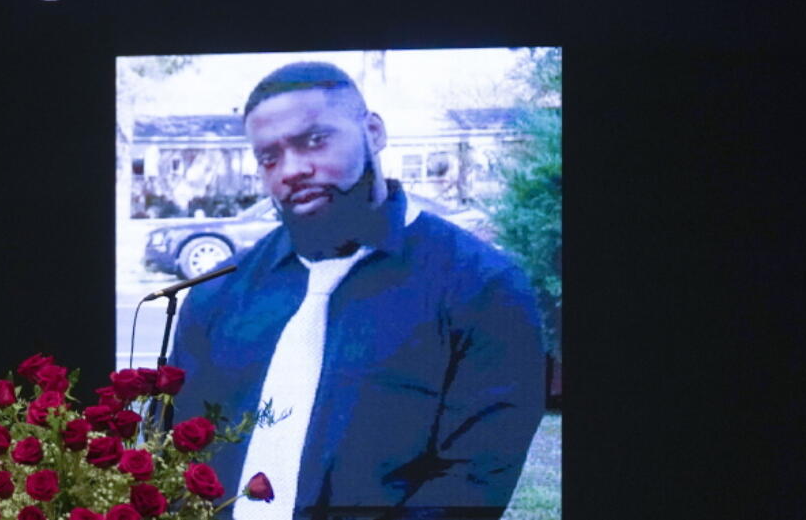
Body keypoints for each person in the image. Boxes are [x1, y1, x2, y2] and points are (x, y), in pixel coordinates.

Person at [169, 62, 545, 519]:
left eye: (314, 140)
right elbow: (178, 456)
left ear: (373, 131)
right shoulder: (217, 294)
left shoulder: (482, 288)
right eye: (269, 157)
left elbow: (471, 482)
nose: (292, 169)